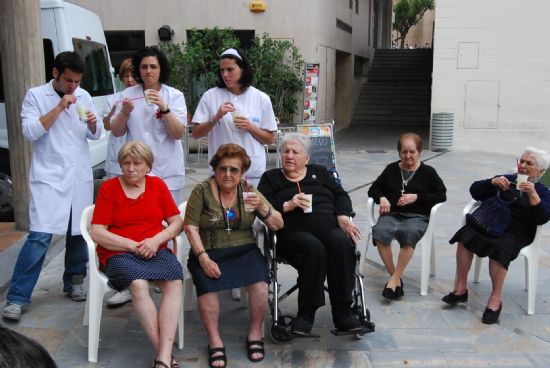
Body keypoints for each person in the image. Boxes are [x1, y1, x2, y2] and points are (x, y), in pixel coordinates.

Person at [2, 52, 102, 321]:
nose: (73, 87)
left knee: (78, 234)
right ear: (55, 73)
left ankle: (74, 281)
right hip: (49, 178)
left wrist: (94, 124)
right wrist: (59, 108)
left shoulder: (84, 96)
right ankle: (17, 297)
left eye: (78, 81)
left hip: (77, 176)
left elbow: (96, 134)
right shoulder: (35, 96)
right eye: (69, 80)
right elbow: (30, 132)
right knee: (40, 237)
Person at [184, 143, 283, 367]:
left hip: (244, 249)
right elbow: (190, 227)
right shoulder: (201, 191)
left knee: (260, 286)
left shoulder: (249, 191)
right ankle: (214, 340)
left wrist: (263, 208)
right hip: (208, 251)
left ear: (243, 172)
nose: (227, 174)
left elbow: (278, 223)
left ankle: (255, 333)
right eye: (222, 168)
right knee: (208, 286)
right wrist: (203, 258)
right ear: (215, 169)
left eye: (234, 170)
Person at [257, 132, 364, 336]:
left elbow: (341, 195)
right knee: (313, 248)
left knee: (341, 242)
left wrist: (342, 215)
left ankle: (343, 312)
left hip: (329, 228)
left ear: (306, 158)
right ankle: (306, 313)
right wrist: (287, 205)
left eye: (295, 152)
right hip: (292, 234)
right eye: (285, 151)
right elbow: (262, 207)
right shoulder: (271, 178)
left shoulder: (321, 172)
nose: (289, 155)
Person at [91, 141, 183, 368]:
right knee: (139, 284)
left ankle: (163, 355)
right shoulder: (109, 188)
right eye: (126, 163)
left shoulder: (157, 186)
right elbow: (98, 232)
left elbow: (176, 222)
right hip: (119, 252)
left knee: (174, 280)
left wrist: (157, 240)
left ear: (148, 166)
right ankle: (163, 354)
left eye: (136, 163)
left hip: (154, 248)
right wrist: (132, 246)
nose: (130, 168)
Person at [443, 147, 550, 324]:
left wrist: (532, 194)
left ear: (541, 171)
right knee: (465, 236)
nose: (522, 165)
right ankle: (460, 289)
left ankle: (495, 299)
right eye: (521, 161)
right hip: (491, 224)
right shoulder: (507, 179)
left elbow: (542, 218)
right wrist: (491, 183)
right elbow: (475, 191)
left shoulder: (543, 191)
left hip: (517, 232)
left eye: (528, 163)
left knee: (500, 249)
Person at [367, 133, 446, 301]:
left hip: (417, 216)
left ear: (419, 152)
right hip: (392, 214)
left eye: (412, 151)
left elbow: (441, 195)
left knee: (409, 233)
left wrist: (417, 197)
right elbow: (374, 189)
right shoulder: (391, 169)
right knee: (380, 232)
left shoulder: (428, 172)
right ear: (398, 152)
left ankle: (394, 280)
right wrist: (381, 198)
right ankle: (395, 278)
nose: (408, 156)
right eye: (404, 152)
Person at [110, 46, 187, 204]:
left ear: (161, 69)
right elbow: (117, 132)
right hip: (137, 171)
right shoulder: (127, 95)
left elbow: (178, 133)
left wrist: (165, 109)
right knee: (140, 219)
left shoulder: (174, 95)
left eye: (153, 66)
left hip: (167, 169)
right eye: (144, 67)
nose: (148, 71)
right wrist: (124, 113)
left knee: (168, 221)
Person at [191, 47, 277, 187]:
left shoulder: (261, 98)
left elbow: (269, 139)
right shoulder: (211, 96)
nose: (225, 75)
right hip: (221, 173)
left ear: (242, 69)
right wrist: (215, 118)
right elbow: (195, 133)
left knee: (250, 208)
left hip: (251, 173)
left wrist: (250, 127)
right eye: (222, 70)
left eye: (230, 70)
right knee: (222, 209)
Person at [101, 58, 137, 308]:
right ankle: (123, 281)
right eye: (126, 75)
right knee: (116, 223)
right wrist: (118, 110)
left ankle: (144, 273)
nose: (130, 79)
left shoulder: (145, 98)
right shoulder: (113, 99)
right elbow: (106, 125)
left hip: (136, 168)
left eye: (133, 75)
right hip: (116, 166)